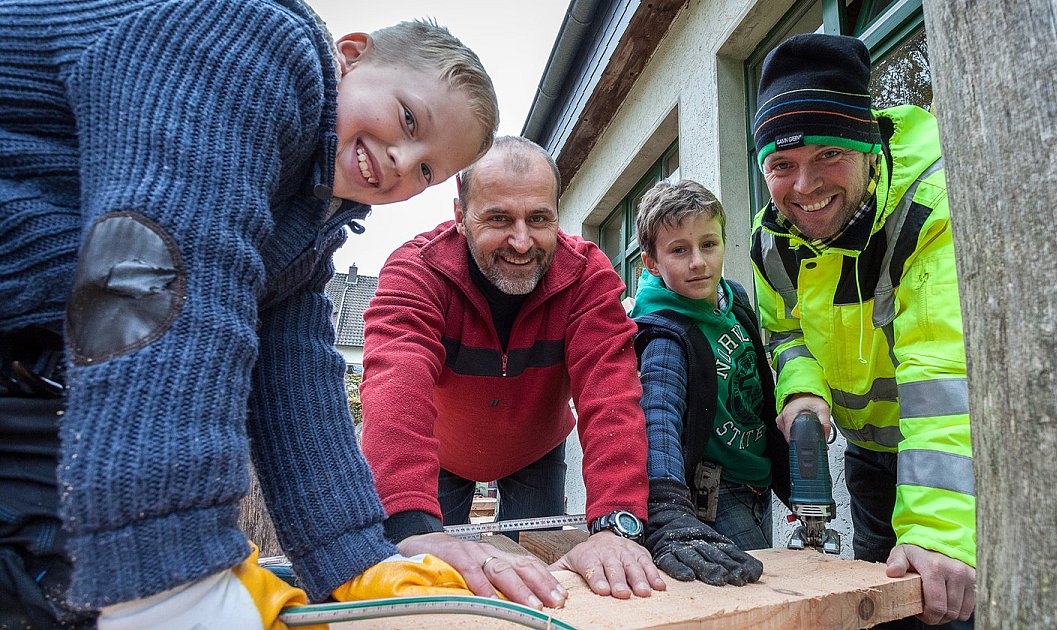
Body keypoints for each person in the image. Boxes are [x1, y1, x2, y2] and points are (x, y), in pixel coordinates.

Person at [0, 1, 499, 626]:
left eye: (426, 169)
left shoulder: (301, 224)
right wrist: (174, 568)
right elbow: (175, 260)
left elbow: (297, 383)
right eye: (407, 119)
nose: (403, 160)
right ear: (349, 56)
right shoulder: (251, 44)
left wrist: (356, 561)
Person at [360, 135, 666, 610]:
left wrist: (616, 523)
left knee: (546, 587)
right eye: (499, 219)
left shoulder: (587, 277)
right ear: (460, 214)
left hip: (535, 452)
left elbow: (611, 395)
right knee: (433, 575)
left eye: (539, 219)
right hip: (442, 454)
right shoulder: (417, 272)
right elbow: (394, 385)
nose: (522, 242)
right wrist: (408, 522)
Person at [749, 34, 976, 627]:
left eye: (829, 154)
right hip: (868, 455)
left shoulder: (931, 207)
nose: (805, 187)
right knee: (880, 608)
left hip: (953, 461)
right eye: (782, 165)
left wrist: (939, 530)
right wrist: (802, 389)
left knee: (946, 603)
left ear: (870, 146)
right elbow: (785, 331)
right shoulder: (772, 241)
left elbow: (943, 369)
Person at [629, 180, 790, 587]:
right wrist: (667, 505)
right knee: (760, 589)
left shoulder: (734, 299)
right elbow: (659, 417)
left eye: (708, 244)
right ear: (651, 263)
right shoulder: (664, 333)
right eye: (679, 250)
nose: (698, 262)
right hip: (716, 495)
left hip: (758, 481)